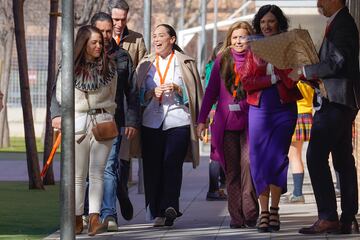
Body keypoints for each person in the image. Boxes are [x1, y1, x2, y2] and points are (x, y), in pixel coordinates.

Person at [292, 0, 360, 234]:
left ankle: (328, 217)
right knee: (342, 159)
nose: (318, 3)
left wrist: (305, 71)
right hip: (339, 100)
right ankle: (348, 218)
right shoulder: (338, 23)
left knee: (315, 155)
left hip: (336, 102)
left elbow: (337, 62)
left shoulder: (343, 24)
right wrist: (310, 75)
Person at [51, 25, 118, 236]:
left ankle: (95, 218)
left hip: (103, 120)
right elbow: (61, 95)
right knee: (78, 175)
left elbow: (112, 94)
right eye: (94, 42)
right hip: (78, 122)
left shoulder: (110, 67)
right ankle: (78, 218)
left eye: (100, 42)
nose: (99, 46)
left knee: (97, 173)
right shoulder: (68, 68)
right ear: (83, 44)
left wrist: (96, 105)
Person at [241, 5, 302, 233]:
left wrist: (280, 68)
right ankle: (263, 211)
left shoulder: (289, 46)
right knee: (258, 159)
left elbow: (295, 78)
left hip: (284, 108)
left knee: (277, 158)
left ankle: (275, 210)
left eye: (272, 22)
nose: (267, 26)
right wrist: (272, 78)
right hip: (259, 108)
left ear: (279, 24)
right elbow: (246, 82)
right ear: (259, 24)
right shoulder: (253, 48)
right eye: (263, 22)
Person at [136, 24, 203, 227]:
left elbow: (195, 94)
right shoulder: (145, 64)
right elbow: (136, 96)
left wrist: (178, 89)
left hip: (178, 120)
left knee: (172, 164)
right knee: (152, 167)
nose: (156, 40)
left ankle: (170, 207)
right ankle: (156, 211)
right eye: (154, 36)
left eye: (161, 36)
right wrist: (149, 93)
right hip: (151, 122)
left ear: (172, 39)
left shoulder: (185, 62)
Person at [197, 21, 259, 228]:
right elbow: (210, 93)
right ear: (229, 40)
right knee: (231, 171)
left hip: (252, 122)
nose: (238, 41)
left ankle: (250, 210)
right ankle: (236, 216)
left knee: (249, 165)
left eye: (243, 37)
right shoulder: (221, 60)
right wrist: (201, 120)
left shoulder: (257, 59)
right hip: (226, 125)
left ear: (250, 38)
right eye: (235, 37)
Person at [88, 12, 139, 232]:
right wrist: (57, 115)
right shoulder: (79, 57)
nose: (107, 35)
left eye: (110, 31)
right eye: (102, 31)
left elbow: (132, 91)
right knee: (88, 170)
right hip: (84, 121)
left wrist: (131, 121)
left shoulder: (122, 57)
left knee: (108, 167)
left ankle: (109, 214)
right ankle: (89, 213)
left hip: (112, 121)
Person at [108, 0, 147, 222]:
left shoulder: (136, 39)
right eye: (115, 19)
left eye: (123, 19)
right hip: (104, 103)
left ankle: (122, 189)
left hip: (125, 102)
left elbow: (142, 69)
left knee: (122, 156)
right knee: (105, 160)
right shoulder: (99, 37)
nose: (119, 24)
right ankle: (114, 197)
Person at [203, 42, 227, 201]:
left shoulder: (209, 66)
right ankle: (214, 188)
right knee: (218, 152)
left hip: (213, 110)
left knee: (216, 151)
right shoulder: (219, 67)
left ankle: (216, 186)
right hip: (219, 110)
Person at [284, 82, 314, 204]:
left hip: (295, 114)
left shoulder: (295, 79)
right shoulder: (308, 79)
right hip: (308, 114)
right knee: (298, 155)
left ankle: (297, 193)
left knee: (294, 155)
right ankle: (297, 192)